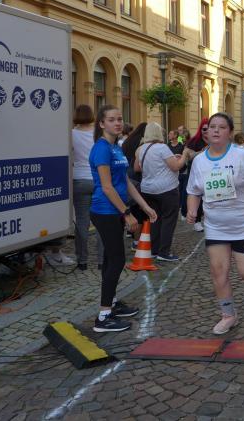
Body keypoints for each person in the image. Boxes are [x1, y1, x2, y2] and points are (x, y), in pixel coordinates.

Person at [186, 113, 244, 335]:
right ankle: (228, 315)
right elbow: (193, 191)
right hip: (215, 226)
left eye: (221, 127)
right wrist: (192, 209)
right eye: (211, 126)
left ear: (230, 132)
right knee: (218, 272)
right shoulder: (199, 161)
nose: (215, 130)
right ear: (206, 132)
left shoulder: (242, 155)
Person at [89, 105, 156, 332]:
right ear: (101, 124)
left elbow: (125, 182)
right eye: (111, 120)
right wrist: (126, 213)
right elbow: (107, 187)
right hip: (105, 211)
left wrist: (145, 206)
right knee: (117, 260)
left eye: (119, 119)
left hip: (115, 210)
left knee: (111, 259)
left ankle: (112, 303)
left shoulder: (115, 147)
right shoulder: (101, 149)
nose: (117, 123)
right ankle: (103, 317)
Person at [135, 123, 191, 261]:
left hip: (148, 189)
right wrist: (184, 155)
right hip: (166, 189)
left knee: (154, 219)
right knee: (168, 220)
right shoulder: (162, 148)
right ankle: (164, 252)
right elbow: (176, 166)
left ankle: (154, 250)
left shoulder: (141, 148)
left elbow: (137, 168)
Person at [72, 104, 96, 270]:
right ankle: (102, 260)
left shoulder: (71, 134)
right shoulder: (98, 134)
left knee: (82, 221)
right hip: (97, 179)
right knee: (102, 220)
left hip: (79, 179)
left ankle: (82, 260)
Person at [185, 119, 209, 231]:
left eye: (208, 128)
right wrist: (203, 151)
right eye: (204, 129)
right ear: (200, 129)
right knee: (197, 195)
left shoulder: (215, 140)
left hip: (211, 172)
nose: (206, 131)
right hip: (196, 173)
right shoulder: (194, 141)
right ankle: (197, 220)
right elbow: (188, 156)